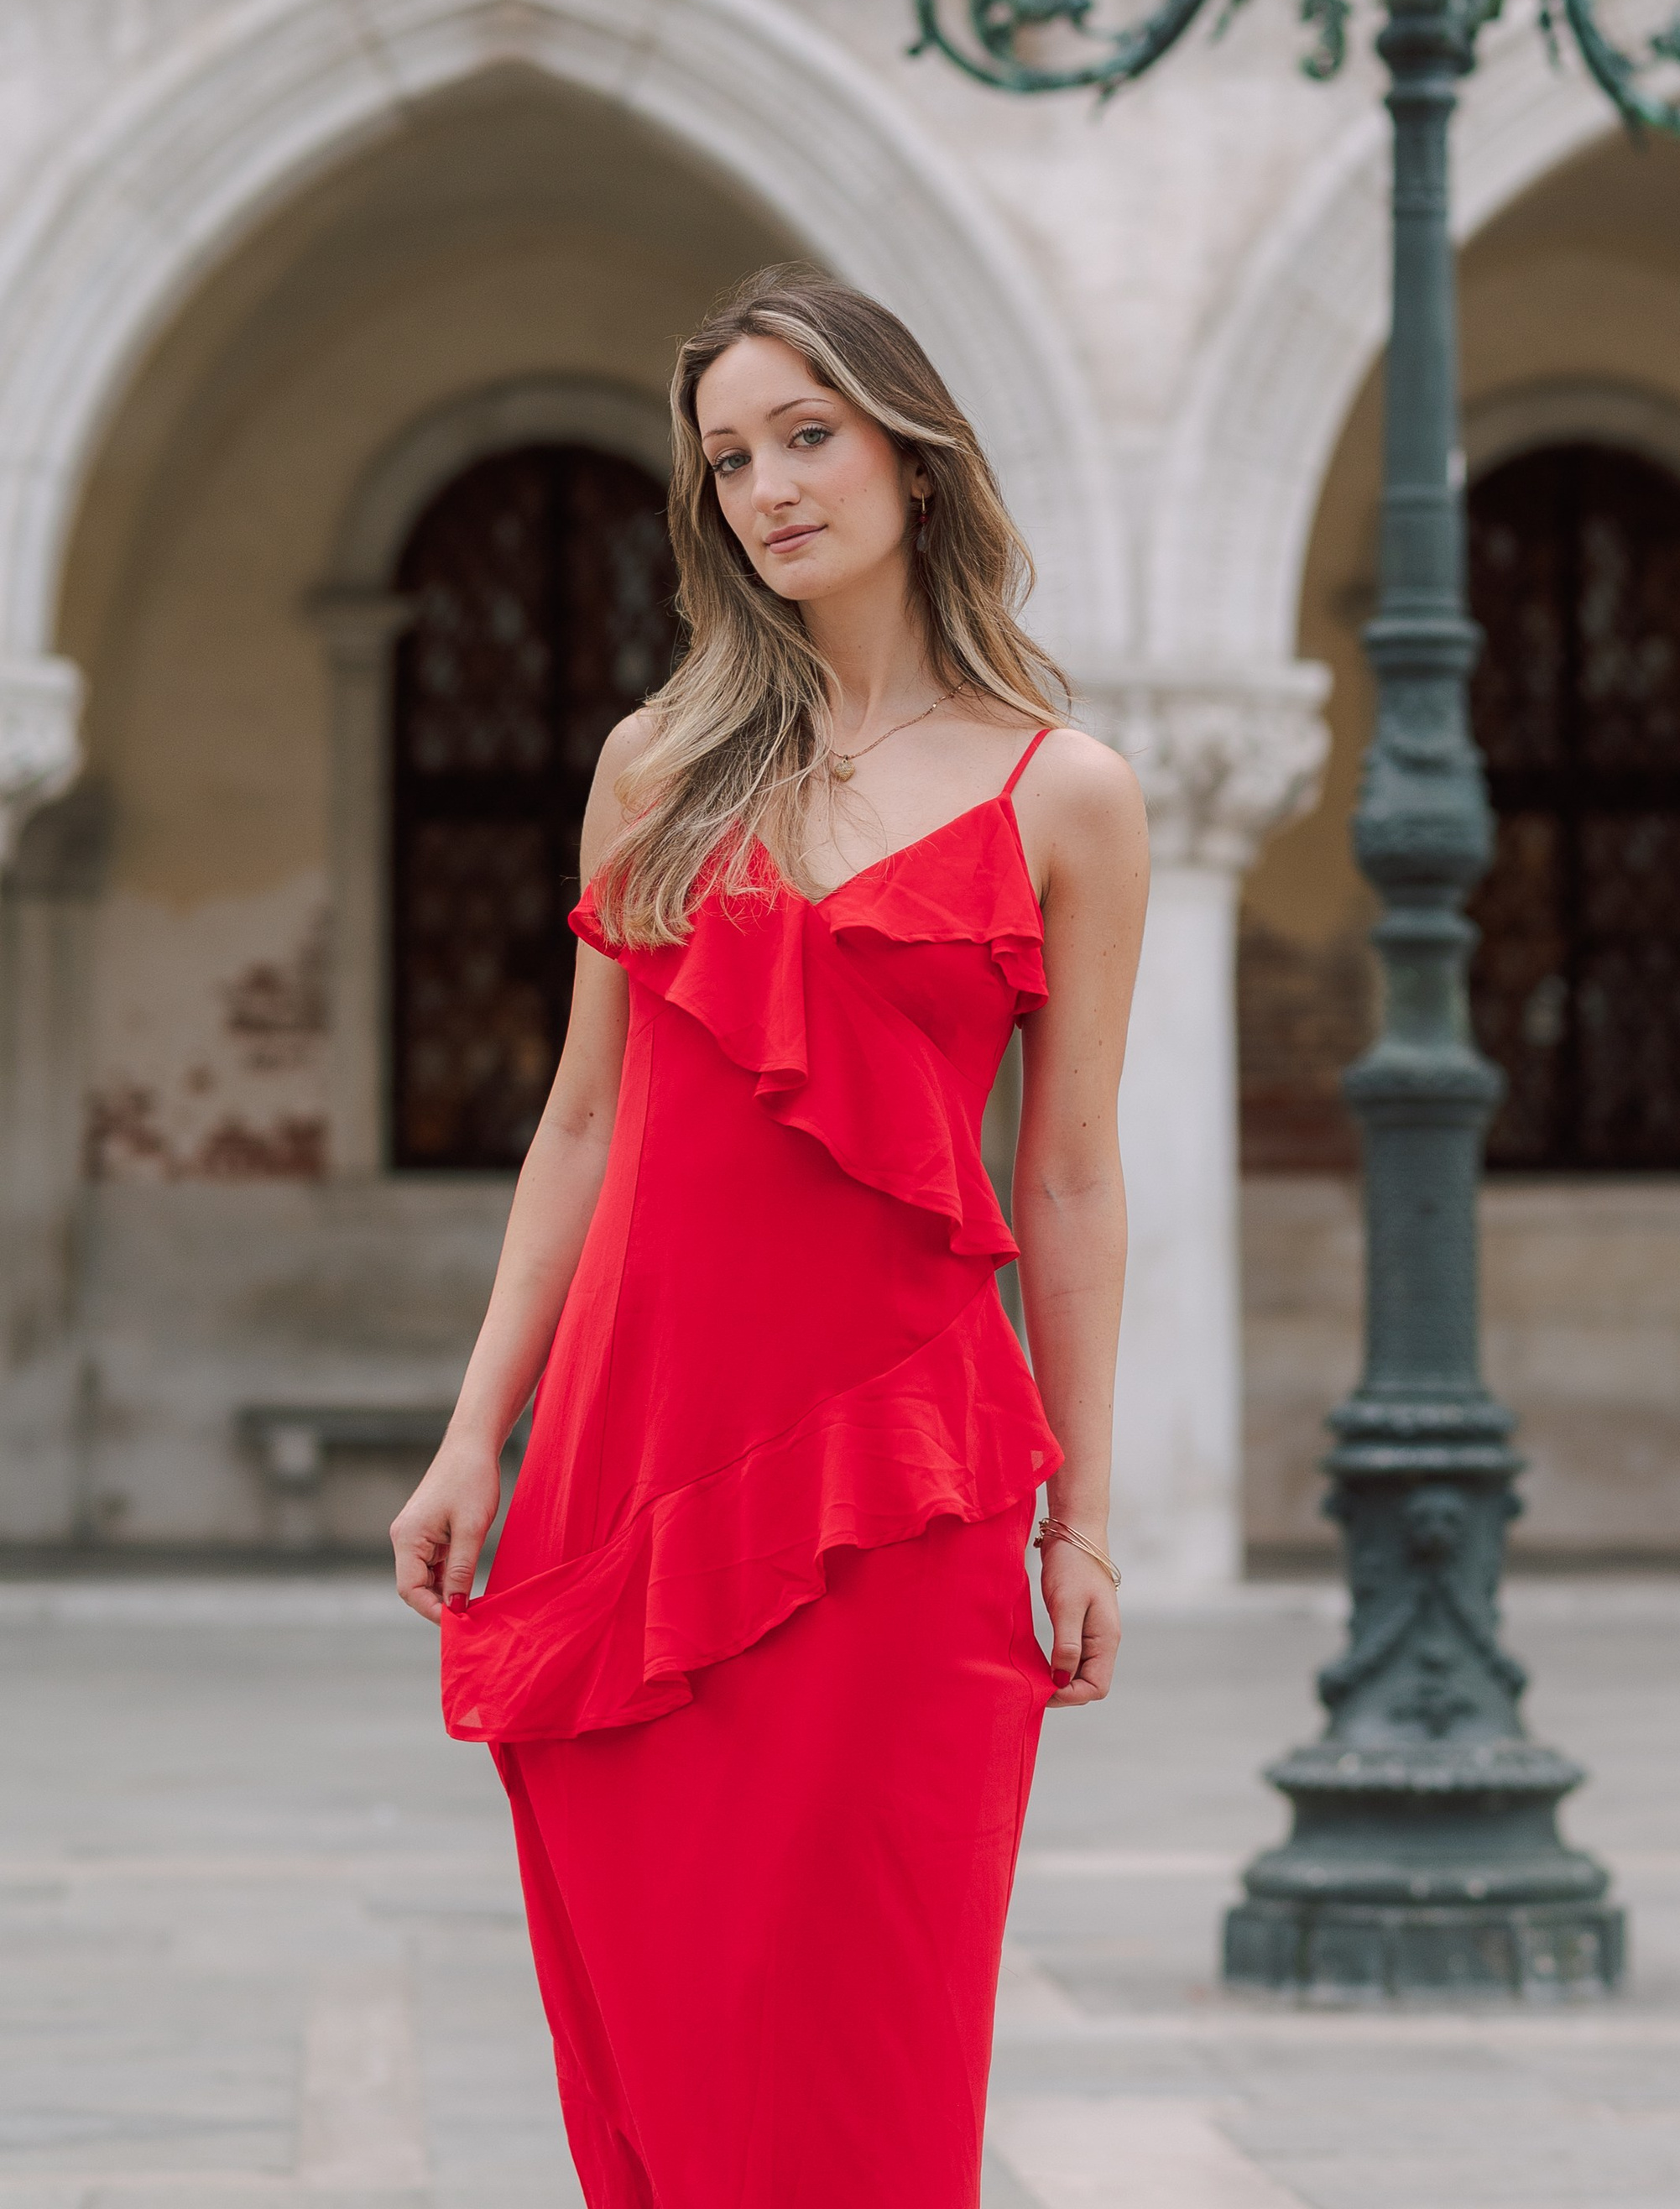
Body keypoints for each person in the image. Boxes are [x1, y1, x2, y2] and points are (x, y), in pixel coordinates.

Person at [389, 265, 1146, 2209]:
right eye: (730, 458)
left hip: (908, 1494)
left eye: (806, 435)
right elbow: (579, 1126)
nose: (769, 487)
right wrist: (479, 1431)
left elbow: (1066, 1176)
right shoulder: (655, 765)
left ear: (908, 446)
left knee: (871, 2032)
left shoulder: (1067, 793)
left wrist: (1084, 1514)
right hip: (631, 1470)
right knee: (657, 2009)